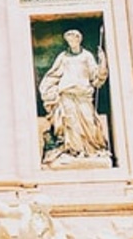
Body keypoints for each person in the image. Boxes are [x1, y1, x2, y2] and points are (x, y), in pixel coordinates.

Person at [38, 30, 109, 160]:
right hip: (66, 94)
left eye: (73, 39)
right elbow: (53, 74)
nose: (71, 42)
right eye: (68, 40)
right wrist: (47, 88)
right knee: (70, 123)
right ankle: (75, 151)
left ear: (79, 39)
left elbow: (96, 76)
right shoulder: (63, 57)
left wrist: (102, 62)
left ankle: (92, 149)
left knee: (89, 121)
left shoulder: (87, 56)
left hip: (83, 94)